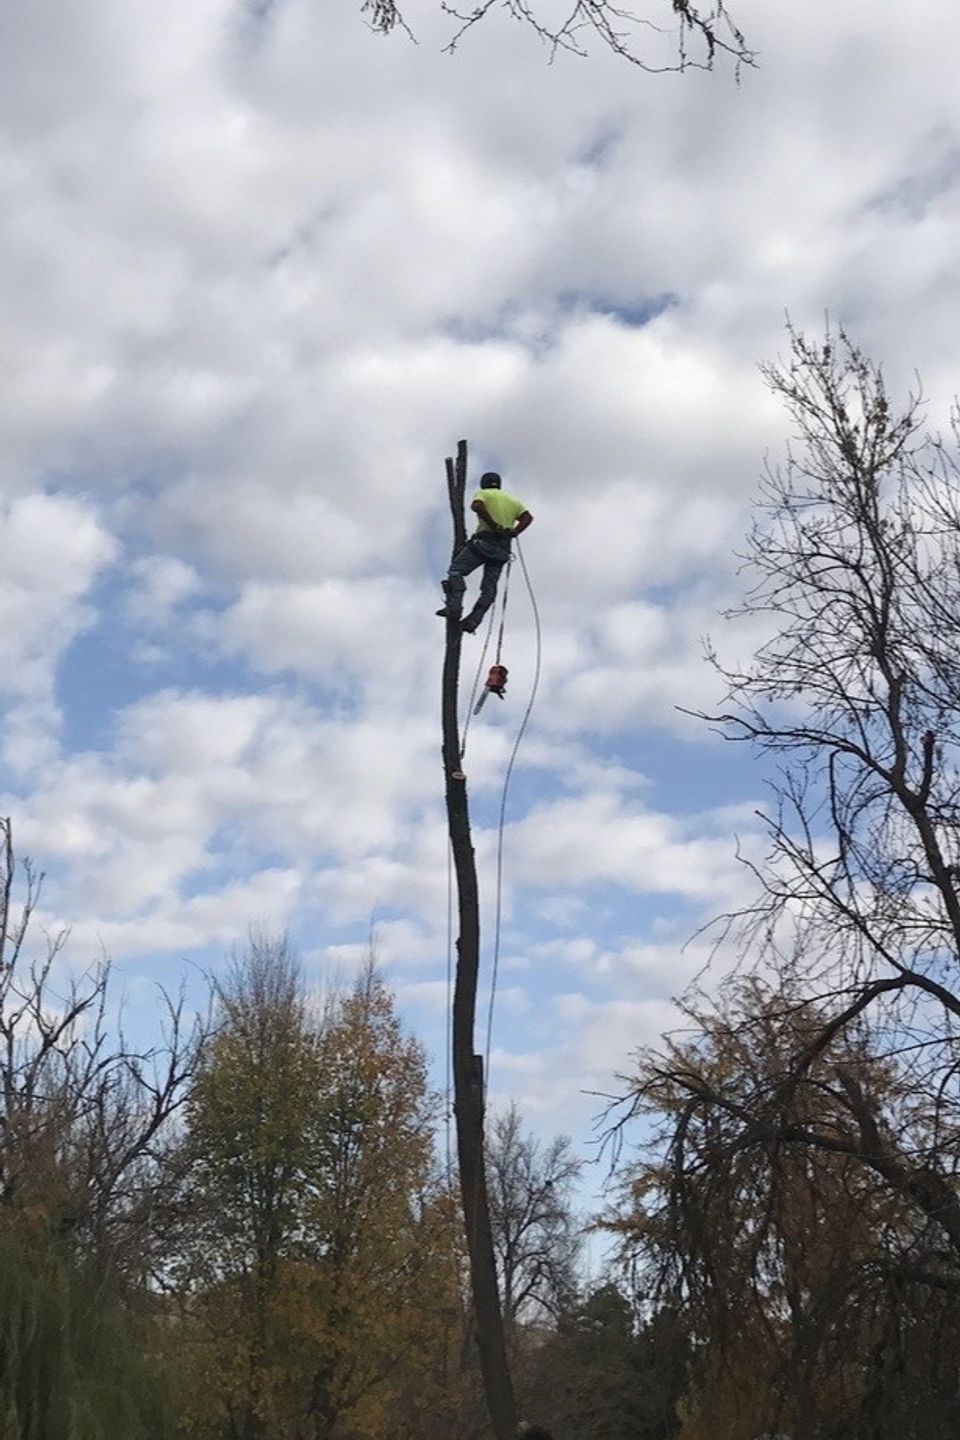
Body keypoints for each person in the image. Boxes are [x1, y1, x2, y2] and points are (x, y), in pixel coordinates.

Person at [437, 472, 533, 633]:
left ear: (484, 483)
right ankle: (473, 621)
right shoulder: (512, 500)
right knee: (489, 588)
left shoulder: (484, 493)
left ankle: (454, 607)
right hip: (502, 549)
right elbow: (528, 517)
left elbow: (477, 506)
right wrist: (515, 532)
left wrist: (493, 525)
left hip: (484, 543)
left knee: (456, 571)